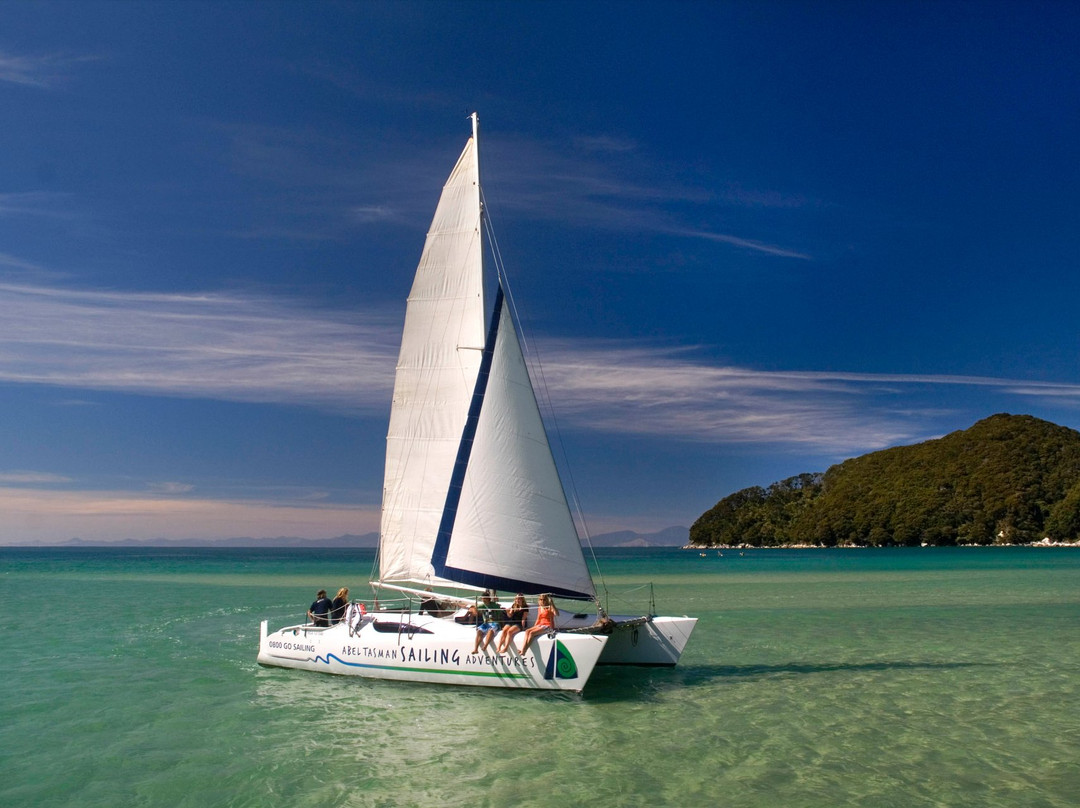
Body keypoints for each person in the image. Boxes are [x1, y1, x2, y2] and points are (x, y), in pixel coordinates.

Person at [470, 590, 503, 654]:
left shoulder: (495, 605)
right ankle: (476, 649)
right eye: (482, 599)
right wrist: (475, 611)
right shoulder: (482, 606)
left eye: (484, 598)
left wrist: (501, 624)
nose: (483, 600)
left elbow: (500, 614)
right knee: (479, 631)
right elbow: (472, 608)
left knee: (490, 630)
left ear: (488, 599)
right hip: (486, 623)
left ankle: (485, 646)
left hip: (494, 622)